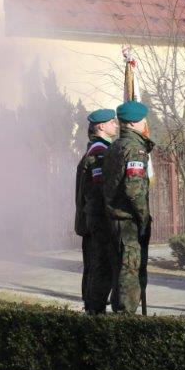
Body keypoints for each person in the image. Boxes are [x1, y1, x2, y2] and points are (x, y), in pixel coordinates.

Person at [103, 100, 154, 314]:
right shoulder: (135, 150)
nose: (145, 123)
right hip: (128, 222)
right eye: (143, 120)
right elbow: (134, 191)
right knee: (129, 272)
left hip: (113, 219)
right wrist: (144, 217)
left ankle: (120, 314)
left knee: (119, 270)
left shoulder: (114, 146)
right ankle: (126, 320)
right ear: (133, 123)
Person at [74, 108, 118, 314]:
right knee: (98, 267)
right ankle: (93, 311)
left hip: (93, 222)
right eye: (112, 122)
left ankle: (91, 307)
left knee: (94, 266)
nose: (116, 125)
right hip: (98, 222)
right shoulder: (99, 152)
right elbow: (98, 192)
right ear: (100, 126)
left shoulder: (97, 149)